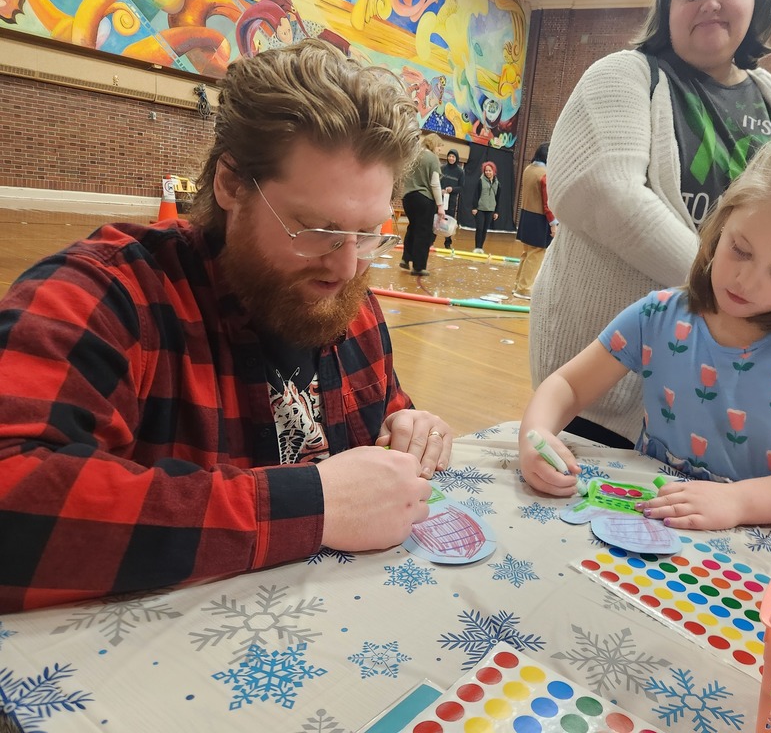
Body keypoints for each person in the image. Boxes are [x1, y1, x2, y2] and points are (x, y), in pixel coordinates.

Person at [0, 39, 453, 614]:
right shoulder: (110, 294)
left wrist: (407, 424)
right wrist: (311, 504)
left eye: (369, 233)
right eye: (315, 227)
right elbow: (13, 491)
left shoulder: (351, 301)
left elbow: (381, 415)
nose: (346, 267)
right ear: (231, 184)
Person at [519, 111, 771, 530]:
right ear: (721, 223)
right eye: (740, 250)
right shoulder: (660, 314)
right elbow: (567, 385)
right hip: (663, 528)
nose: (746, 280)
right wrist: (537, 434)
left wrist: (740, 502)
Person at [531, 0, 771, 449]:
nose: (711, 2)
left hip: (721, 387)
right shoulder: (623, 74)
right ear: (666, 5)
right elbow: (606, 196)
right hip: (605, 382)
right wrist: (733, 290)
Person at [512, 142, 557, 300]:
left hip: (525, 216)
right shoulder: (545, 174)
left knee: (527, 253)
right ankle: (524, 289)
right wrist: (553, 224)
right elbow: (547, 203)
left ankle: (518, 285)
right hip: (539, 218)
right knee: (536, 253)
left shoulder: (528, 169)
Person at [400, 132, 446, 276]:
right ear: (433, 144)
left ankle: (406, 258)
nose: (439, 150)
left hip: (407, 197)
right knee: (423, 232)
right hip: (424, 198)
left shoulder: (413, 155)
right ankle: (419, 267)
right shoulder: (432, 158)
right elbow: (434, 183)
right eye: (439, 147)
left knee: (412, 227)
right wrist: (440, 205)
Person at [470, 161, 500, 254]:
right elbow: (476, 194)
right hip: (480, 209)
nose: (487, 172)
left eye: (489, 171)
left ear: (493, 171)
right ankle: (477, 247)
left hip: (490, 210)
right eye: (486, 171)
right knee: (479, 228)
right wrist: (474, 207)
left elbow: (498, 198)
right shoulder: (480, 181)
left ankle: (481, 247)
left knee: (485, 229)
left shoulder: (497, 183)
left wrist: (496, 212)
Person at [439, 148, 464, 250]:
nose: (451, 158)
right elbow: (436, 181)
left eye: (453, 156)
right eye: (449, 156)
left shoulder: (460, 172)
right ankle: (431, 240)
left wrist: (452, 189)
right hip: (440, 198)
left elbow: (461, 187)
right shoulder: (442, 168)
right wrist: (440, 190)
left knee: (448, 220)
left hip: (451, 200)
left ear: (456, 158)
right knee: (437, 218)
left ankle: (448, 242)